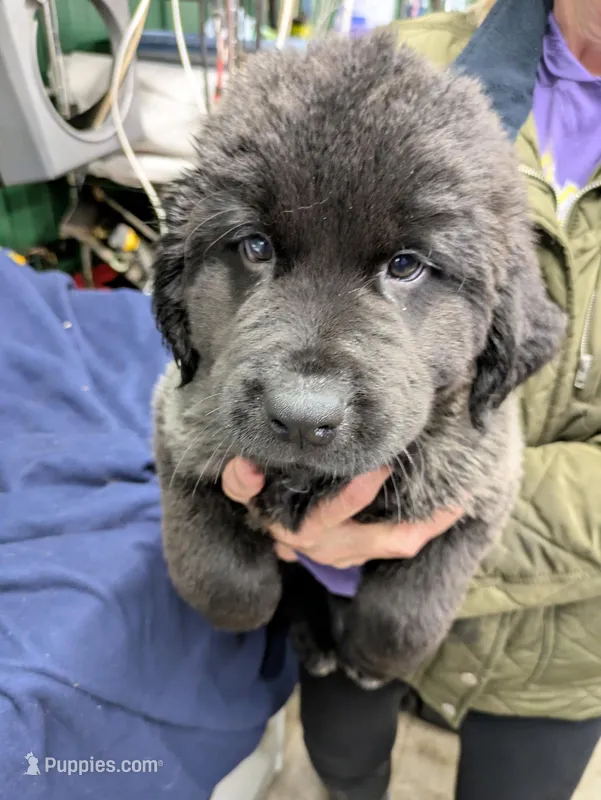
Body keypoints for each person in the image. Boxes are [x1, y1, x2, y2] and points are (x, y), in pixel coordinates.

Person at [220, 0, 601, 798]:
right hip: (329, 586)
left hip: (561, 641)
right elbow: (230, 286)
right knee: (341, 759)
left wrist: (422, 520)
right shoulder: (387, 70)